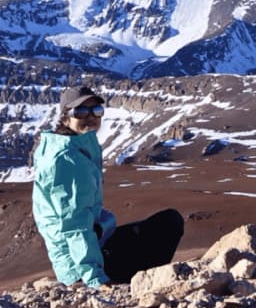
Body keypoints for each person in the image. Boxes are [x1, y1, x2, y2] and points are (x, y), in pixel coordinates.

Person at [31, 85, 184, 287]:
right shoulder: (69, 159)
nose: (91, 117)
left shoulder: (66, 146)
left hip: (84, 252)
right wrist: (95, 279)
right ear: (65, 117)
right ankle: (142, 286)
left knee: (158, 225)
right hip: (80, 267)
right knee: (168, 224)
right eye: (81, 111)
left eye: (96, 111)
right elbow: (74, 224)